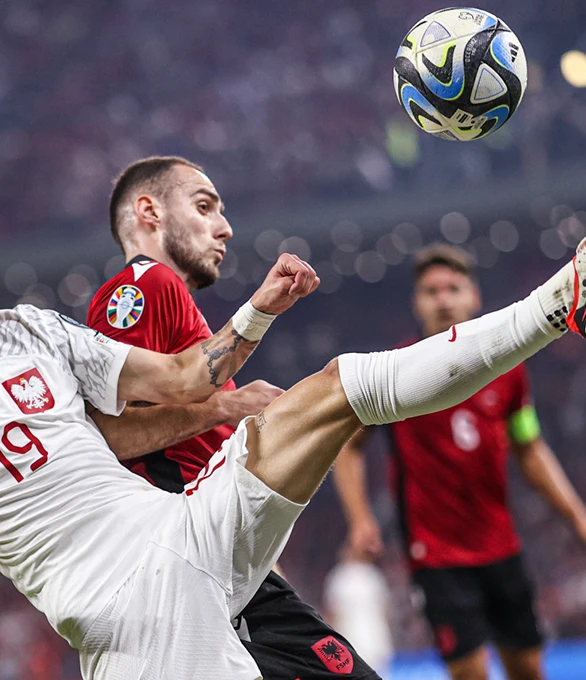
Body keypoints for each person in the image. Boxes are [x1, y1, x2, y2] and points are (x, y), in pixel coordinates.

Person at [0, 174, 586, 679]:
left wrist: (257, 312)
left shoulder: (25, 330)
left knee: (335, 387)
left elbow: (181, 379)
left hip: (183, 528)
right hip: (127, 614)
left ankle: (567, 298)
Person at [84, 156, 375, 679]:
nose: (225, 227)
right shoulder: (141, 288)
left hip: (222, 563)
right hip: (194, 560)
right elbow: (106, 437)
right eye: (204, 207)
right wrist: (227, 405)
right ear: (149, 211)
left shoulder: (174, 305)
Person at [332, 243, 586, 680]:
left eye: (453, 288)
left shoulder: (509, 371)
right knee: (470, 674)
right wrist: (359, 518)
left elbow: (529, 447)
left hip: (501, 546)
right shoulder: (394, 371)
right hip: (435, 557)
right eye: (431, 291)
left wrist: (581, 522)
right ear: (417, 302)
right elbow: (349, 446)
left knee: (529, 670)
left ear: (474, 297)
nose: (443, 299)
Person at [322, 555, 395, 678]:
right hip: (367, 644)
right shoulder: (343, 577)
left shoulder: (368, 575)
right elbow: (386, 612)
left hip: (363, 646)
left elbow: (331, 616)